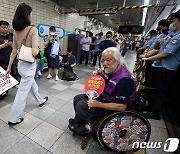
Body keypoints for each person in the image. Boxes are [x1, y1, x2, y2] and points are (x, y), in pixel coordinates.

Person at [68, 47, 137, 132]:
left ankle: (91, 124)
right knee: (77, 98)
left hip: (112, 105)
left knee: (82, 105)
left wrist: (98, 104)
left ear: (118, 60)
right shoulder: (110, 70)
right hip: (105, 97)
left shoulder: (124, 80)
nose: (104, 63)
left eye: (108, 60)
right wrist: (97, 75)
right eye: (102, 60)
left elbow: (121, 107)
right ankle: (79, 121)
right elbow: (103, 80)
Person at [5, 3, 48, 125]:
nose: (32, 16)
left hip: (20, 65)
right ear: (26, 16)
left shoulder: (15, 32)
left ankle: (40, 100)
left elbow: (14, 51)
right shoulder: (32, 30)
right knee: (22, 94)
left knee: (31, 84)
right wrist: (38, 50)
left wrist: (9, 68)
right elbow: (34, 52)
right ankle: (13, 119)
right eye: (30, 14)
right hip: (29, 65)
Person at [141, 10, 180, 120]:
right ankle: (150, 108)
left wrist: (147, 58)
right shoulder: (171, 35)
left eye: (173, 21)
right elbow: (158, 49)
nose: (172, 24)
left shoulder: (178, 37)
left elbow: (165, 54)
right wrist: (148, 55)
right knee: (153, 89)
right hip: (159, 66)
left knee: (159, 91)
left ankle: (154, 113)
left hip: (166, 69)